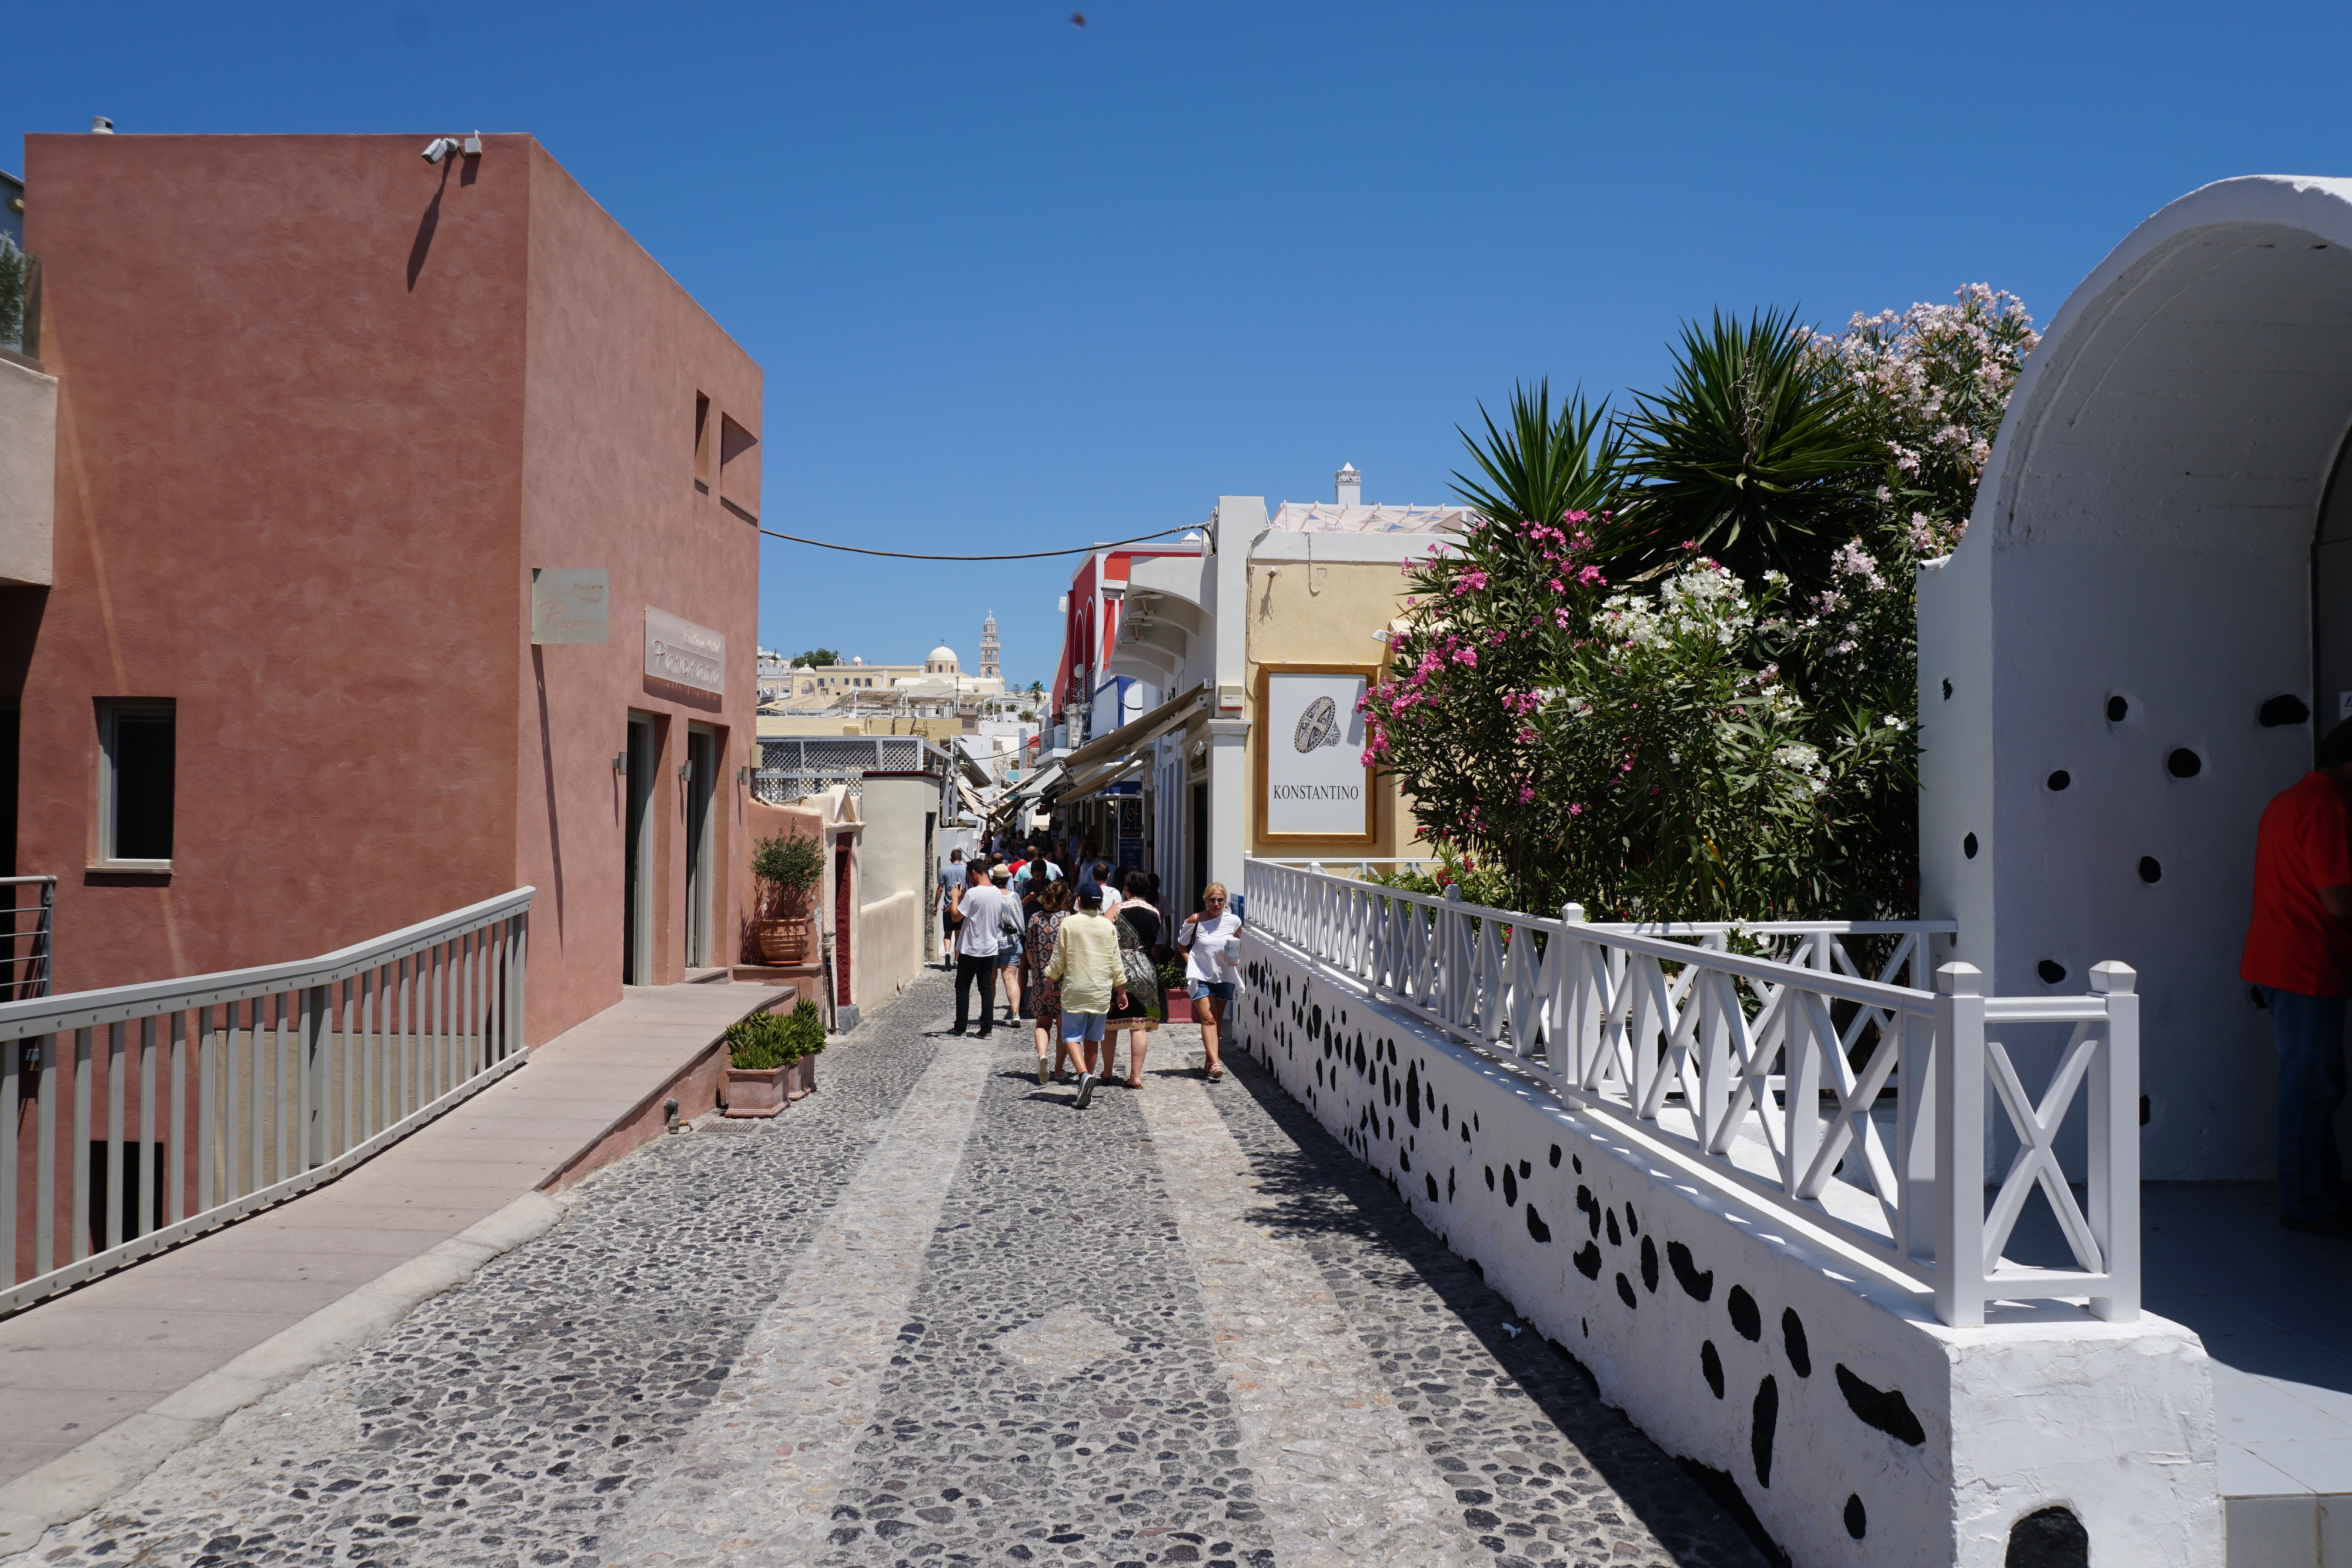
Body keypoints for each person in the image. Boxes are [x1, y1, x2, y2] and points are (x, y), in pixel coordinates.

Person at [2243, 719, 2352, 1234]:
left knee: (2314, 1083)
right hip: (2308, 964)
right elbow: (2337, 899)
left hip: (2280, 958)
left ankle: (2319, 1193)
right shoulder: (2329, 808)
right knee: (2311, 1086)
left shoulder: (2289, 800)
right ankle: (2308, 1201)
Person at [1047, 884, 1130, 1109]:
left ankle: (1083, 1075)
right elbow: (1116, 961)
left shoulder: (1069, 924)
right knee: (1094, 1038)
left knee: (1071, 1036)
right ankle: (1088, 1081)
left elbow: (1058, 959)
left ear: (1079, 901)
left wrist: (1048, 984)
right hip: (1100, 990)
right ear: (1100, 903)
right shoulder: (1108, 926)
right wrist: (1121, 990)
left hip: (1075, 988)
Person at [1177, 882, 1242, 1081]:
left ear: (1225, 901)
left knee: (1217, 1021)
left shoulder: (1234, 921)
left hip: (1223, 975)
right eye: (1212, 900)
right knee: (1208, 1019)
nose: (1216, 904)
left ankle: (1208, 1060)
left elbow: (1237, 944)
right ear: (1205, 900)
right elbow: (1181, 944)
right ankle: (1215, 1063)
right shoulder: (1196, 919)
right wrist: (1191, 964)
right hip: (1200, 975)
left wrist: (1235, 957)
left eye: (1220, 900)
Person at [1105, 868, 1164, 1088]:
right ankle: (1135, 1076)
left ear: (1126, 888)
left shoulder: (1116, 910)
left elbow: (1106, 936)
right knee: (1138, 1026)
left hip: (1120, 968)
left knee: (1110, 1025)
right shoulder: (1155, 912)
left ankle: (1108, 1071)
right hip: (1146, 967)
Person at [951, 862, 1015, 1038]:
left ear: (974, 873)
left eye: (969, 876)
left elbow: (956, 917)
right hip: (990, 947)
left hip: (972, 948)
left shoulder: (973, 893)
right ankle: (986, 1029)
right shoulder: (996, 892)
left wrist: (956, 897)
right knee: (985, 988)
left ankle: (960, 1028)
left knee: (962, 987)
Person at [1025, 878, 1074, 1085]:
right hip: (1063, 979)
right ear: (1065, 899)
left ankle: (1042, 1055)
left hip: (1040, 979)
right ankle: (1059, 1069)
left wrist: (1036, 969)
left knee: (1042, 1023)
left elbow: (1028, 949)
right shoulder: (1068, 920)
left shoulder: (1035, 919)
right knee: (1063, 1026)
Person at [991, 865, 1024, 1025]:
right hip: (1010, 942)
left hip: (990, 943)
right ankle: (1015, 1013)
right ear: (1008, 879)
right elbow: (1020, 923)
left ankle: (987, 1013)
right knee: (1010, 979)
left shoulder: (988, 896)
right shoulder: (1014, 897)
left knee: (990, 980)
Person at [935, 849, 965, 967]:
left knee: (948, 935)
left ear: (951, 858)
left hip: (948, 908)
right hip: (961, 908)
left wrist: (935, 906)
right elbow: (967, 889)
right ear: (961, 859)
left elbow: (940, 889)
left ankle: (947, 952)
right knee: (959, 935)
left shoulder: (945, 871)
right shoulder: (965, 871)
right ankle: (956, 960)